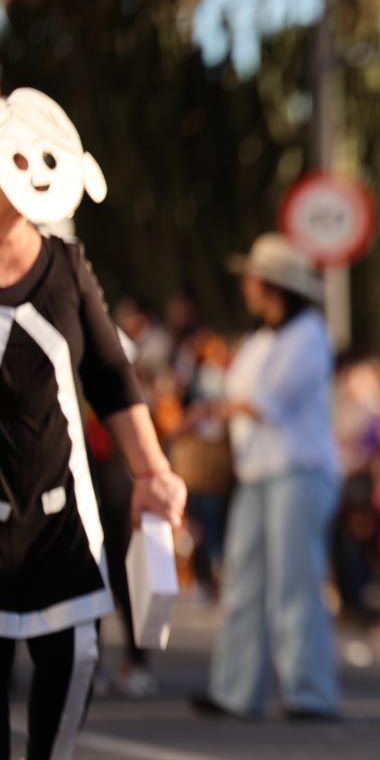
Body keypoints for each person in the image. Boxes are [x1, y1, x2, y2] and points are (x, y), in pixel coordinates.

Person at [0, 88, 186, 760]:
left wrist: (152, 472)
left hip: (59, 524)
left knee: (66, 678)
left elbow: (111, 376)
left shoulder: (67, 268)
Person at [192, 233, 341, 720]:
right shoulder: (263, 337)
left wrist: (216, 408)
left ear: (273, 285)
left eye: (253, 279)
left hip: (297, 471)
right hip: (259, 473)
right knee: (243, 581)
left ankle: (309, 691)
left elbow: (265, 403)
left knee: (294, 583)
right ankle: (236, 690)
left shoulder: (308, 334)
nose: (246, 287)